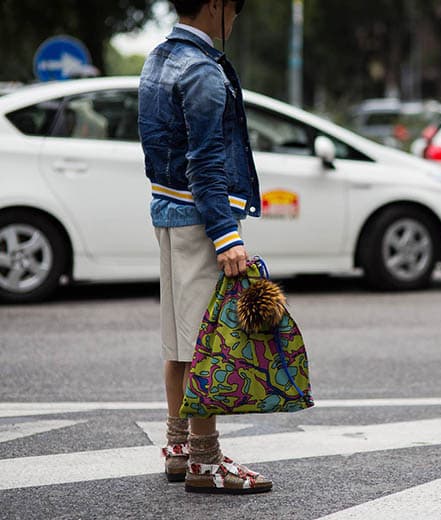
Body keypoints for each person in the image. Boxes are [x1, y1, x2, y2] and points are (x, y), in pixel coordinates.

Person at [138, 0, 271, 494]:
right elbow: (206, 164)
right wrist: (227, 235)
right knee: (206, 346)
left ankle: (177, 447)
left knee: (179, 340)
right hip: (200, 220)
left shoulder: (158, 58)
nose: (235, 20)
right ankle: (205, 460)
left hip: (167, 214)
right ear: (215, 5)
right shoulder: (203, 71)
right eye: (234, 10)